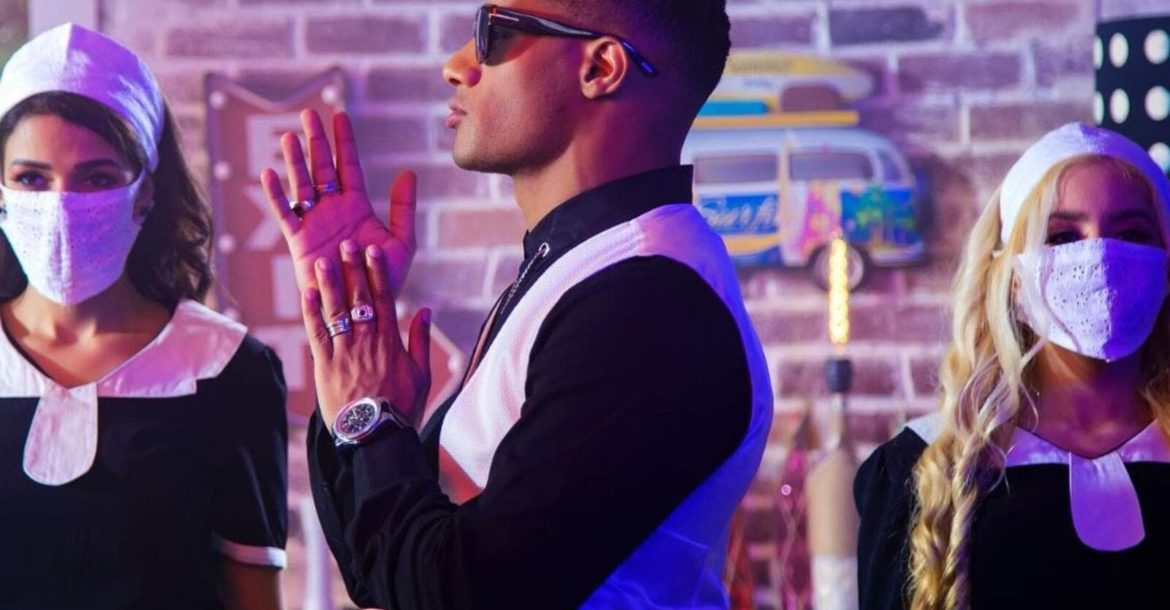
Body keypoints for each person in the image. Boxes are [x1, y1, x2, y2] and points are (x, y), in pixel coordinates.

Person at [262, 0, 772, 608]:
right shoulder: (587, 270)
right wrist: (353, 345)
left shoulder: (649, 306)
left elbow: (464, 594)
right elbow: (383, 572)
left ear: (600, 68)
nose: (456, 65)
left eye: (494, 33)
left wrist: (370, 413)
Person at [0, 24, 287, 609]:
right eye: (32, 178)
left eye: (97, 178)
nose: (61, 207)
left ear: (147, 190)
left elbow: (253, 597)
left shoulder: (225, 367)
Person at [855, 123, 1170, 610]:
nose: (1100, 255)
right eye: (1060, 236)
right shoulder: (923, 469)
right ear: (1012, 274)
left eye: (1131, 233)